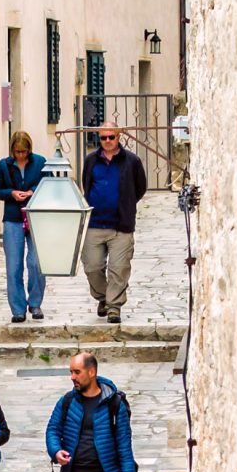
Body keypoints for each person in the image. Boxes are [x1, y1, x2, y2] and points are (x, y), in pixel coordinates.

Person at [80, 123, 148, 324]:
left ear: (119, 137)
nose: (107, 141)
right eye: (103, 138)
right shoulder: (91, 160)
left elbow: (140, 188)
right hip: (94, 224)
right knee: (92, 267)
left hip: (121, 225)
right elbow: (87, 184)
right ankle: (103, 298)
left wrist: (125, 204)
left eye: (111, 137)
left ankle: (114, 307)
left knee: (119, 269)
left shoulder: (132, 161)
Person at [0, 131, 47, 323]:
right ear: (12, 150)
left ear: (29, 149)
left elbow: (48, 184)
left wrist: (33, 191)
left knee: (36, 262)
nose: (21, 155)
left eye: (24, 151)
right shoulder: (3, 165)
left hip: (35, 218)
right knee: (13, 265)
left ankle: (35, 303)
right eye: (17, 152)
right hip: (13, 219)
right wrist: (12, 193)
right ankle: (18, 309)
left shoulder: (40, 163)